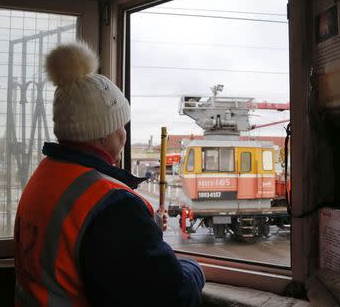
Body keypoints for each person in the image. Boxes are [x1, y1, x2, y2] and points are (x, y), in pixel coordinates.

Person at [14, 42, 205, 307]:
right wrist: (194, 268)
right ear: (104, 133)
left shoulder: (45, 176)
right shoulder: (114, 205)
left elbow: (76, 251)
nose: (124, 135)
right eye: (120, 126)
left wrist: (143, 229)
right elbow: (172, 296)